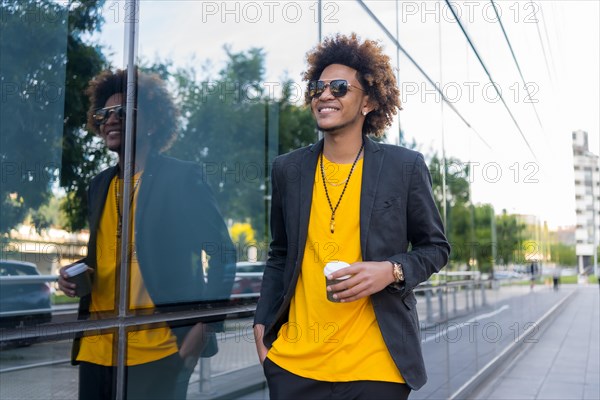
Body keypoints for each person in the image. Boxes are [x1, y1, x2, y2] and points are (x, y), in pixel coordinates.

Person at [253, 34, 450, 399]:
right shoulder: (287, 170)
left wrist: (390, 270)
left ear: (369, 101)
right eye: (318, 86)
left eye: (340, 87)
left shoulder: (404, 167)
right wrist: (262, 327)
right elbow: (279, 255)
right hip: (294, 366)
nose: (325, 94)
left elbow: (435, 247)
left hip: (378, 368)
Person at [57, 70, 236, 400]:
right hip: (96, 350)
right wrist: (75, 273)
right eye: (104, 114)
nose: (111, 120)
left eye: (123, 112)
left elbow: (224, 253)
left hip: (160, 351)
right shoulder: (99, 185)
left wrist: (203, 328)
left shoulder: (181, 178)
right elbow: (111, 251)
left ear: (152, 124)